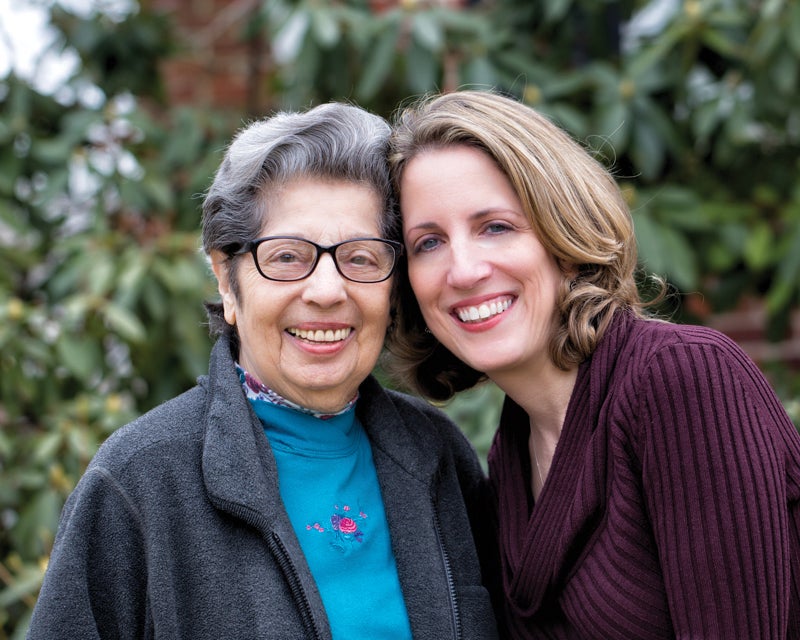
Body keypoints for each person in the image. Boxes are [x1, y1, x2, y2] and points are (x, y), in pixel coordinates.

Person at [28, 102, 499, 640]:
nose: (326, 291)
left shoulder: (439, 456)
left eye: (361, 257)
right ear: (227, 280)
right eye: (286, 257)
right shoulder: (138, 483)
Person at [386, 89, 800, 639]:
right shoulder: (514, 452)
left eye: (496, 227)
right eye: (428, 242)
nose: (462, 271)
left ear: (563, 230)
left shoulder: (683, 381)